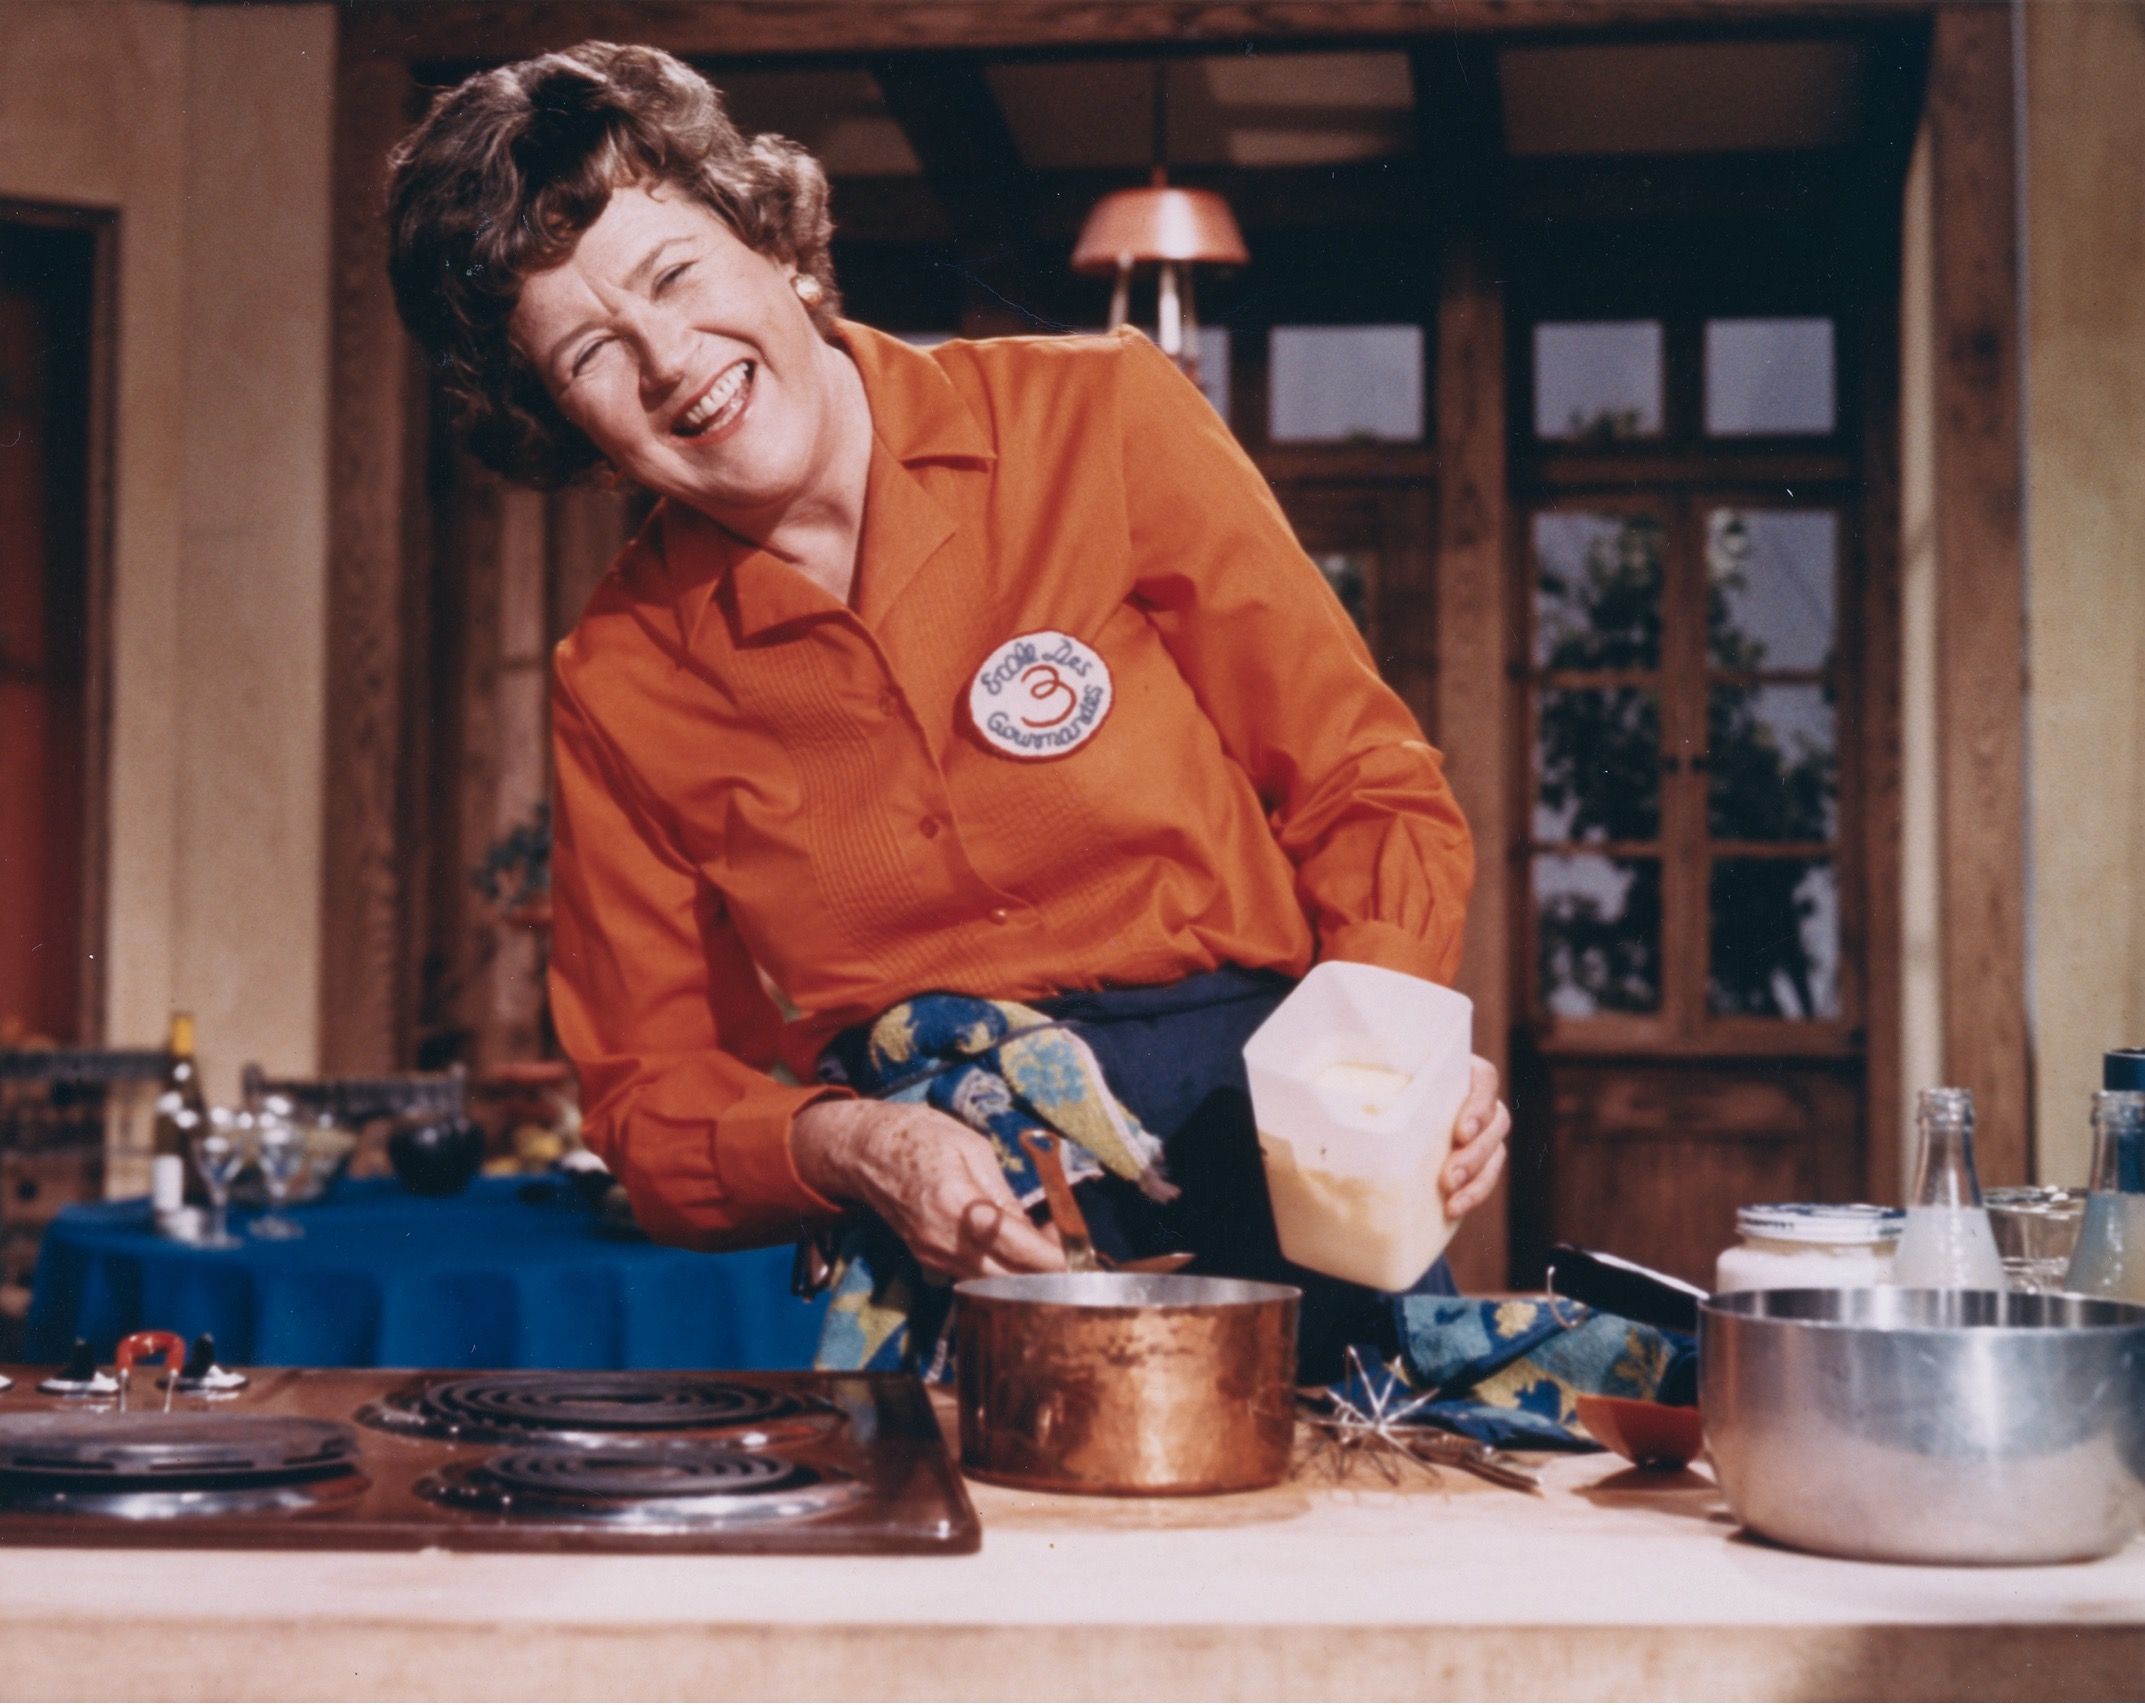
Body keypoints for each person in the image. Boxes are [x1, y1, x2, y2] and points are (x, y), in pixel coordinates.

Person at [384, 41, 1509, 1368]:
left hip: (1281, 1144)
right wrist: (859, 1144)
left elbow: (1362, 788)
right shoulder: (618, 678)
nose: (669, 360)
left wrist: (1381, 1058)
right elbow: (647, 1096)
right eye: (586, 354)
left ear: (776, 246)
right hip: (950, 1225)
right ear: (562, 419)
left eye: (675, 273)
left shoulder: (1103, 418)